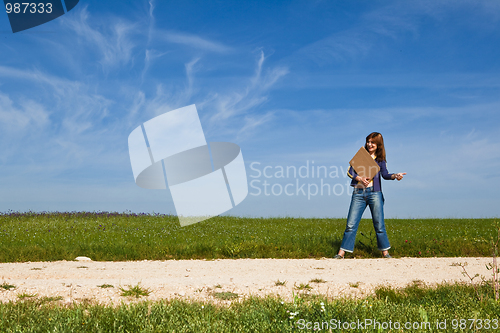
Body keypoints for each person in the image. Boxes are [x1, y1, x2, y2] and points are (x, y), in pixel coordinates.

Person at [334, 132, 406, 259]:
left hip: (375, 193)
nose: (369, 144)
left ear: (378, 145)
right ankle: (341, 253)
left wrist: (395, 176)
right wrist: (359, 178)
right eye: (368, 141)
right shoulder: (361, 156)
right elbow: (349, 171)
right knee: (351, 224)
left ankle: (385, 253)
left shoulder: (380, 160)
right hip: (359, 193)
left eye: (373, 142)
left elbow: (385, 175)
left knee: (379, 224)